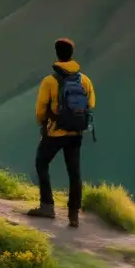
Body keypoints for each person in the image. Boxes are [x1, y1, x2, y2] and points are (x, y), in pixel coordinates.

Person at [27, 38, 95, 228]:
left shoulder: (50, 81)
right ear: (72, 54)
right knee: (74, 173)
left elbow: (41, 108)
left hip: (55, 133)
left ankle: (47, 206)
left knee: (42, 163)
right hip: (76, 133)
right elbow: (91, 104)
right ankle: (73, 215)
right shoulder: (84, 80)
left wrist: (43, 123)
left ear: (57, 54)